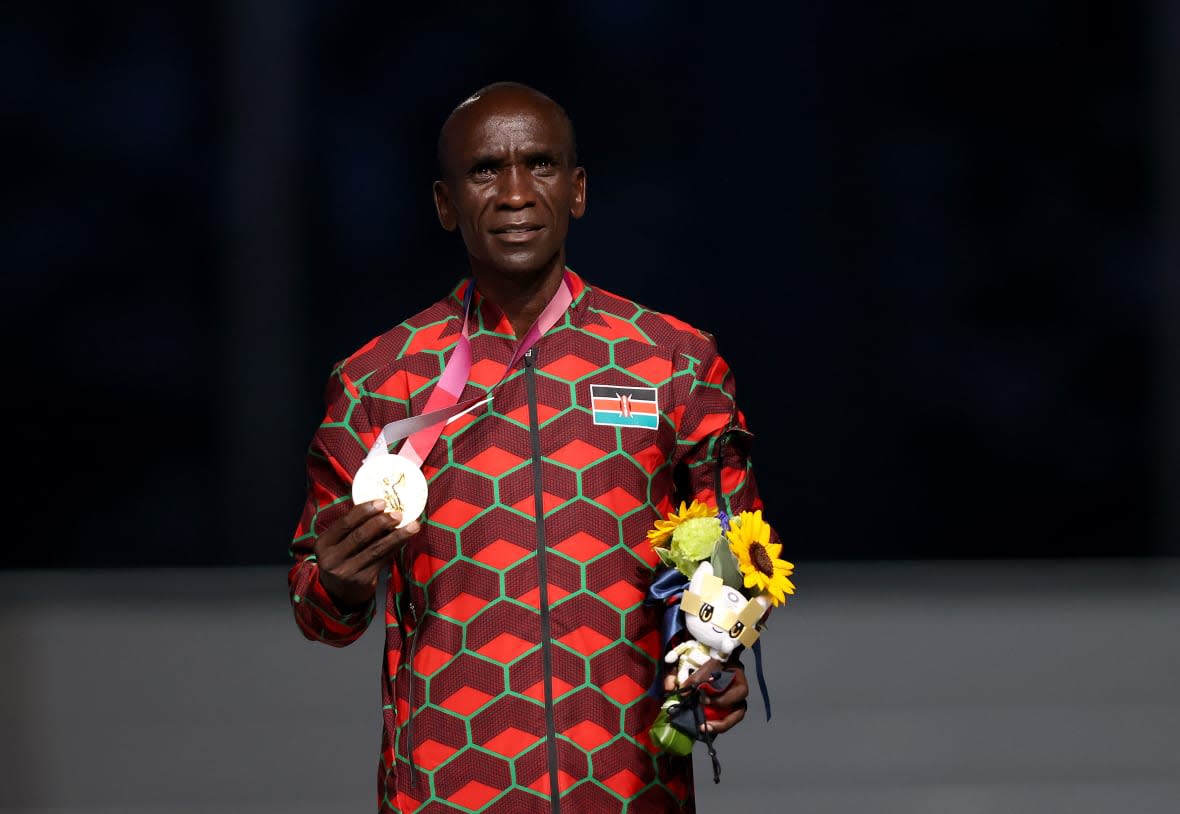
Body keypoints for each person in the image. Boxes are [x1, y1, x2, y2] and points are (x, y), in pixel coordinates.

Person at [288, 81, 774, 813]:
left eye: (540, 165)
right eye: (486, 170)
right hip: (448, 787)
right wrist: (341, 586)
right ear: (446, 204)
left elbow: (743, 548)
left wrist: (718, 654)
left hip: (628, 788)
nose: (515, 192)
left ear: (576, 190)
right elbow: (318, 607)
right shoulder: (377, 382)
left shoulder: (672, 361)